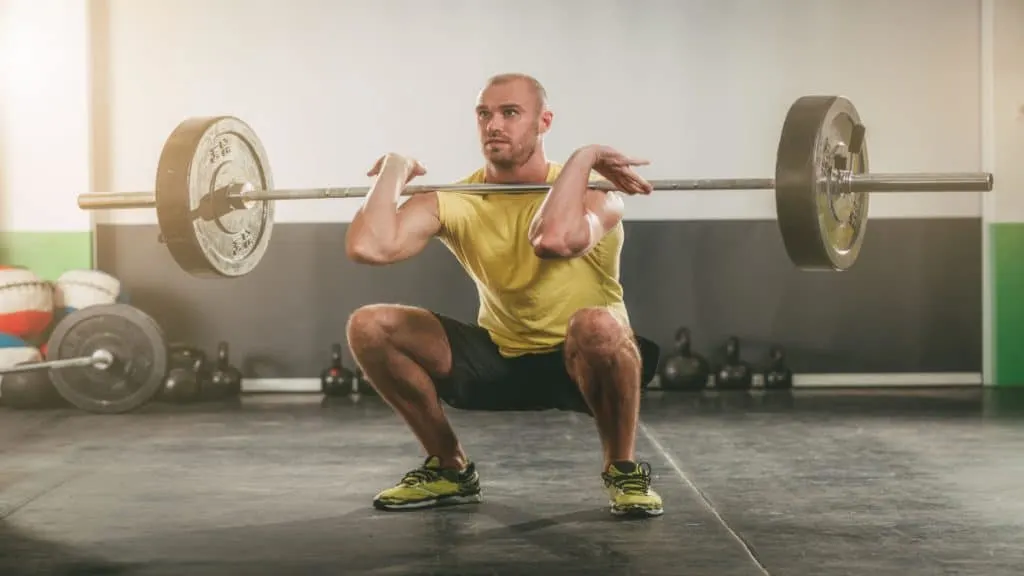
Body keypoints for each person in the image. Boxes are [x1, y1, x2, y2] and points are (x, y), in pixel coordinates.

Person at [344, 72, 664, 518]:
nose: (494, 124)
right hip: (500, 356)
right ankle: (449, 466)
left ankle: (622, 467)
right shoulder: (459, 199)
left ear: (543, 122)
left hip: (585, 361)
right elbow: (369, 246)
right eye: (484, 114)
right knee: (370, 326)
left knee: (594, 325)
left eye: (510, 113)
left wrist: (583, 158)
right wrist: (395, 169)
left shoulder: (596, 194)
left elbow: (553, 240)